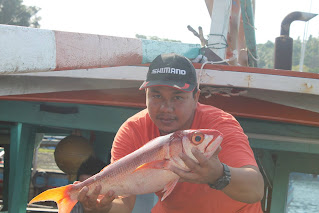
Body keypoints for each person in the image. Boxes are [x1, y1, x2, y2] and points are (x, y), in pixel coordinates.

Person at [77, 53, 264, 212]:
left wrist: (218, 174)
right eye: (157, 95)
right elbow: (125, 201)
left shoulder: (216, 128)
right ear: (146, 95)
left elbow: (255, 189)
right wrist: (103, 207)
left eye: (178, 97)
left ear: (196, 97)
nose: (166, 108)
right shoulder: (132, 130)